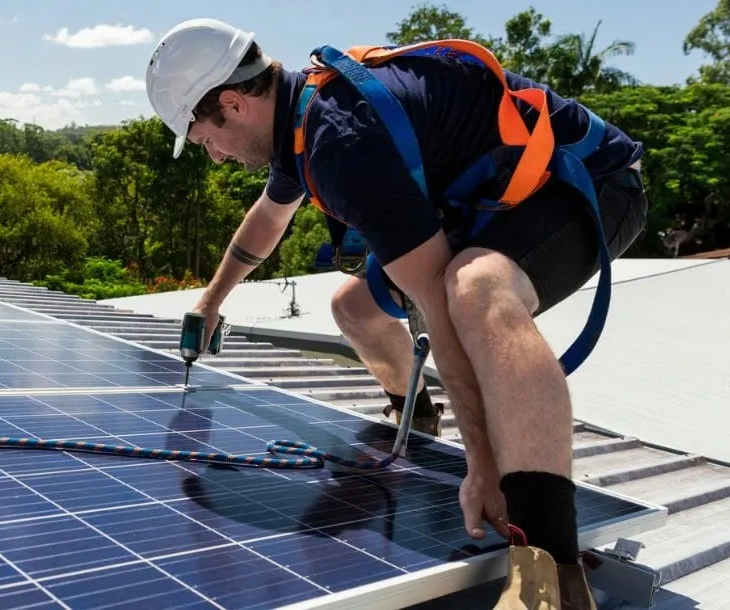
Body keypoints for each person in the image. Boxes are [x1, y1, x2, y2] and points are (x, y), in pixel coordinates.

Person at [145, 17, 648, 610]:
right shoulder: (298, 123)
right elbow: (267, 220)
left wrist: (483, 463)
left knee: (475, 291)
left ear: (233, 104)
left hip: (588, 186)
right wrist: (210, 301)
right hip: (492, 206)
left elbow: (435, 302)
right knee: (353, 307)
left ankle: (551, 578)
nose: (216, 158)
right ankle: (415, 418)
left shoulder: (342, 141)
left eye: (206, 139)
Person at [317, 215, 446, 437]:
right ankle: (418, 418)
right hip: (419, 227)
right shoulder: (302, 179)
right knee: (353, 307)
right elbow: (269, 216)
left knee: (469, 310)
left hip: (493, 220)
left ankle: (511, 457)